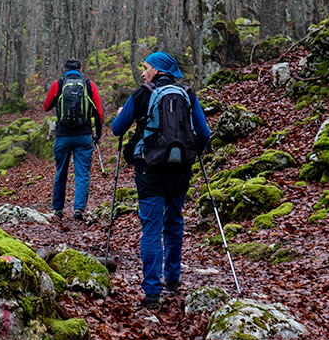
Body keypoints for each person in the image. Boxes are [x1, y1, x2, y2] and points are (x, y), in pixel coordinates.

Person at [111, 51, 211, 310]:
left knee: (152, 228)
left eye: (146, 67)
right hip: (181, 169)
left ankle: (152, 292)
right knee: (175, 219)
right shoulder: (187, 94)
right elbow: (205, 133)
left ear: (156, 69)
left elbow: (117, 129)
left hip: (149, 170)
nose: (143, 72)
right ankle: (173, 280)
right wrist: (192, 152)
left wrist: (124, 112)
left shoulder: (141, 94)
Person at [43, 59, 104, 221]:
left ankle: (58, 210)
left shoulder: (59, 84)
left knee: (61, 172)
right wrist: (98, 133)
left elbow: (46, 106)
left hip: (62, 136)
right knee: (82, 174)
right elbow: (99, 112)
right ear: (80, 69)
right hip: (84, 136)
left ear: (64, 69)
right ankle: (78, 209)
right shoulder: (89, 86)